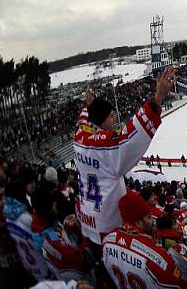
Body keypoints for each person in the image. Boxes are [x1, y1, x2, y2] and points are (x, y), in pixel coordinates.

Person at [74, 67, 175, 244]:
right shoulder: (105, 147)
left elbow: (83, 123)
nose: (114, 119)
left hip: (86, 218)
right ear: (102, 119)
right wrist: (158, 99)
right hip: (107, 226)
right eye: (111, 116)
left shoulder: (78, 139)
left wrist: (87, 106)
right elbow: (129, 138)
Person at [101, 192, 187, 288]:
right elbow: (180, 285)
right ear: (138, 222)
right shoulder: (159, 259)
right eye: (149, 217)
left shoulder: (107, 241)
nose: (153, 222)